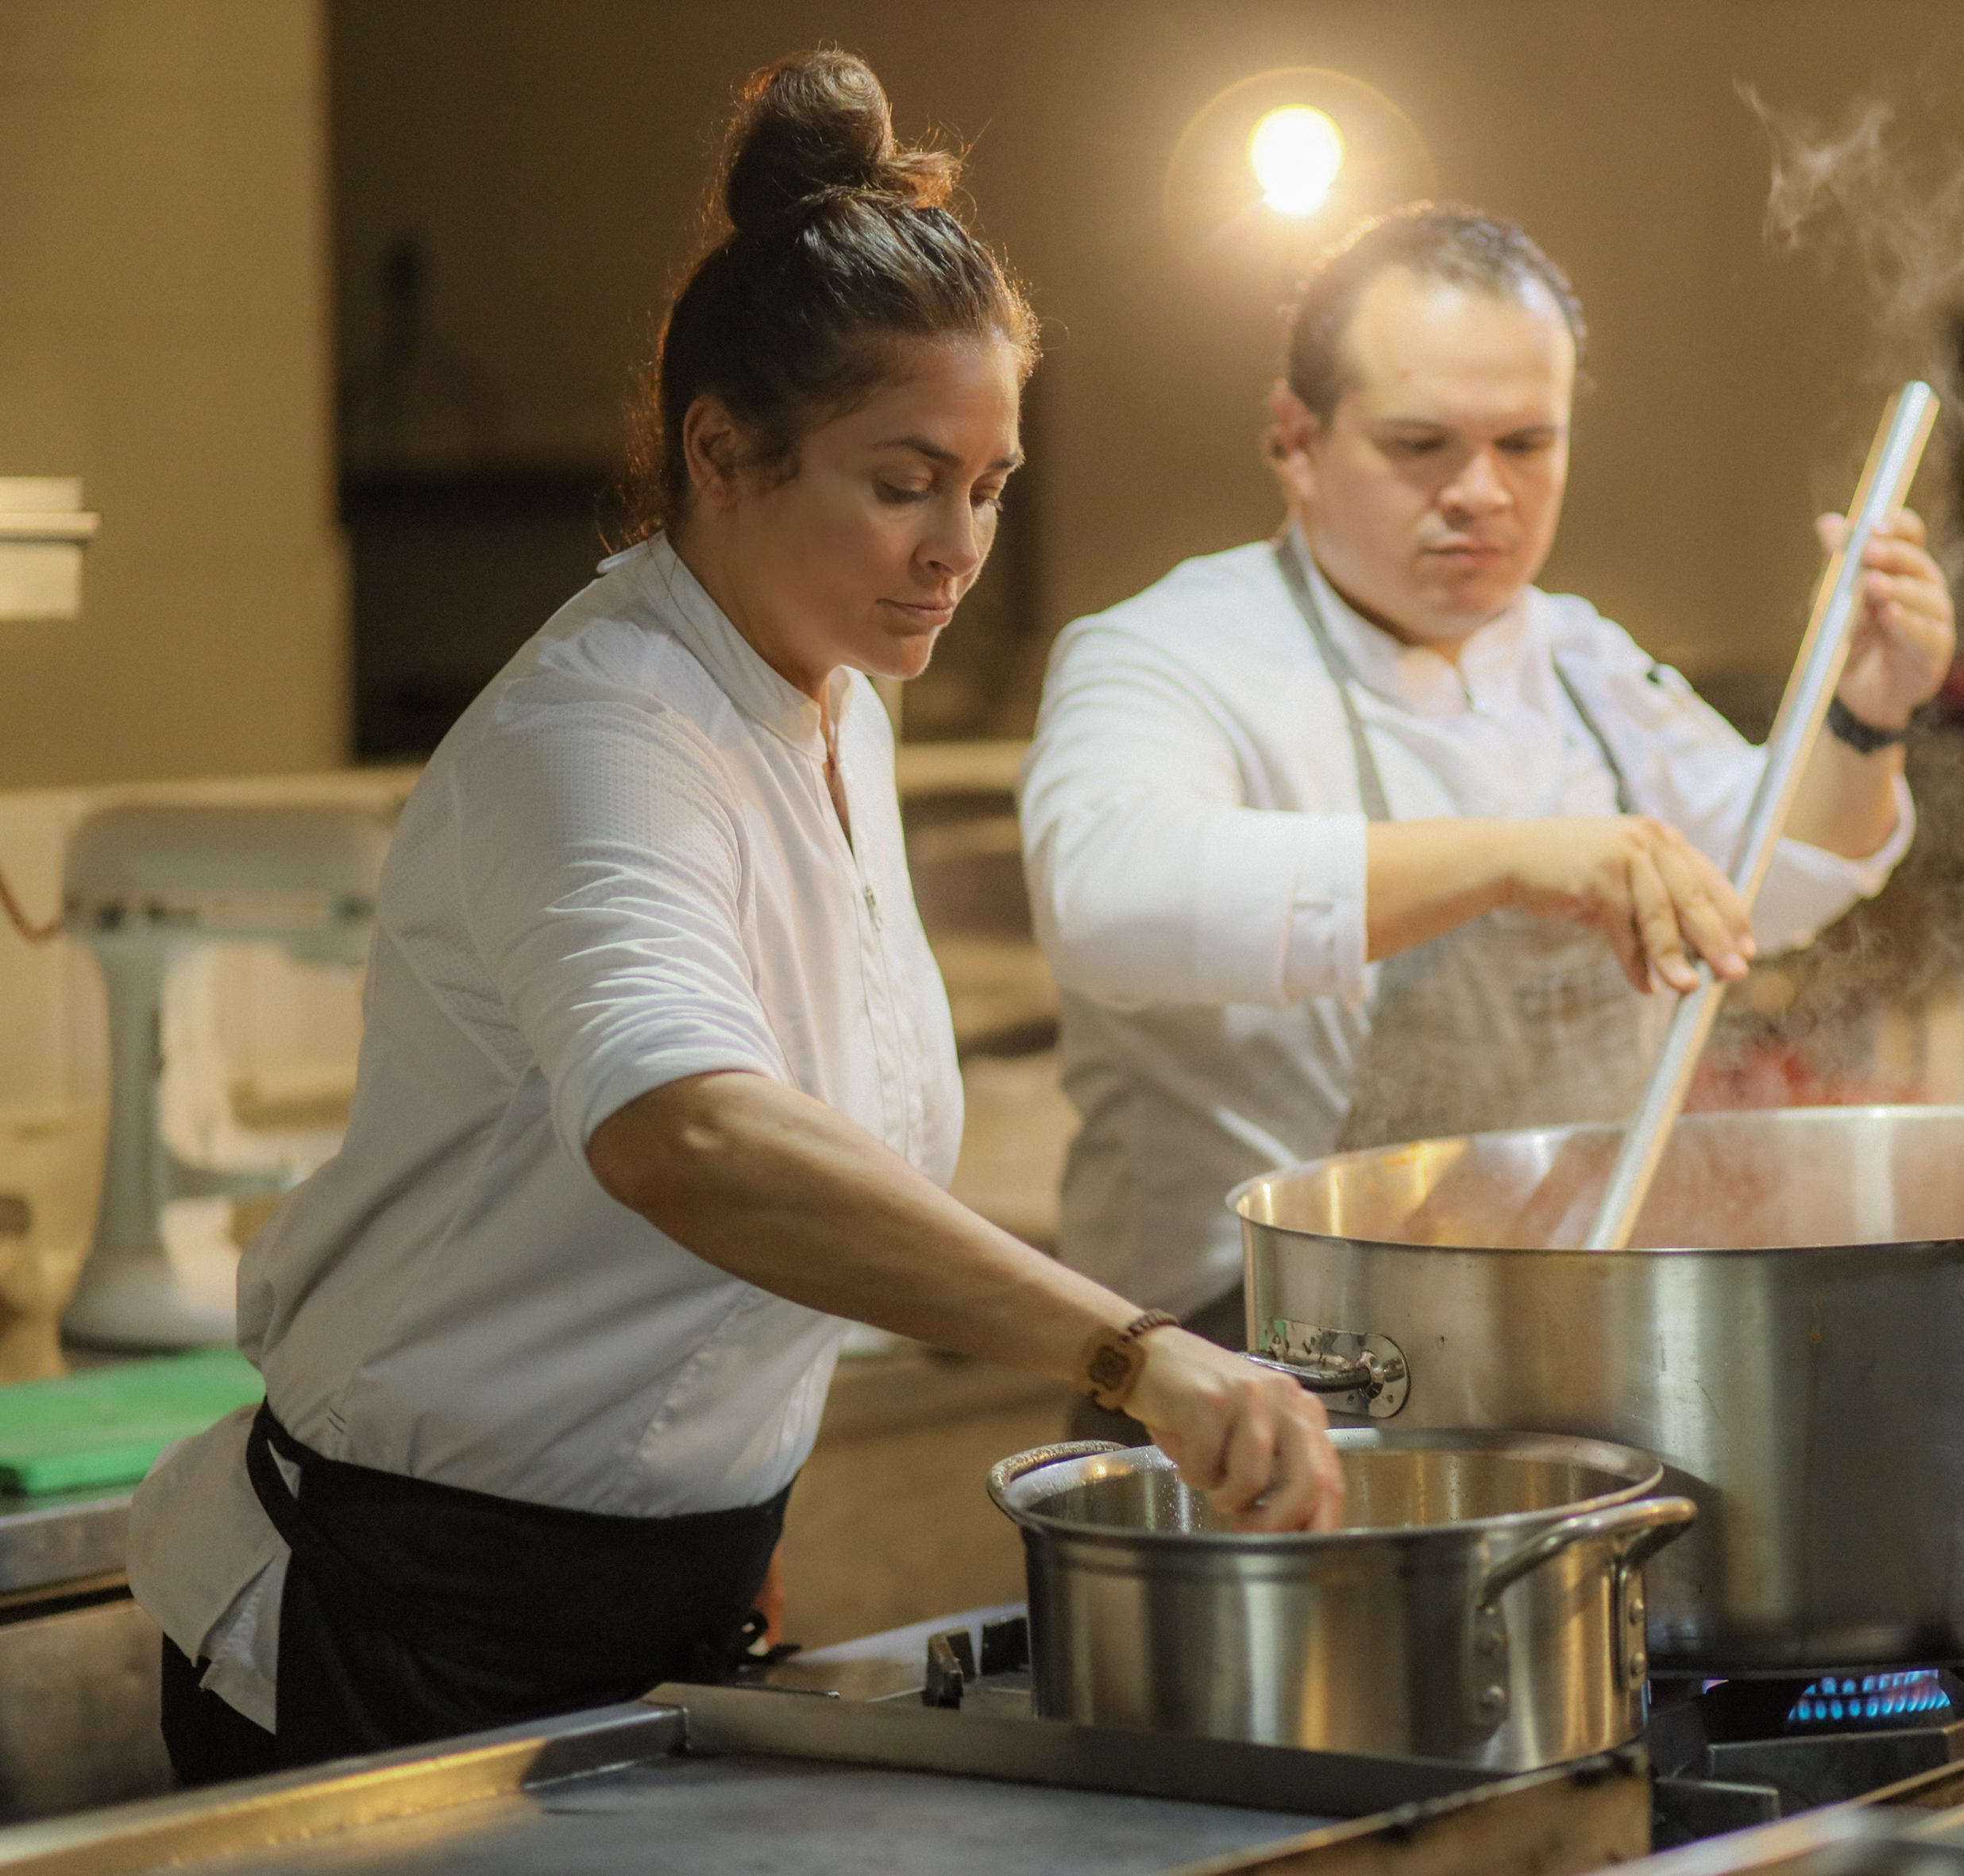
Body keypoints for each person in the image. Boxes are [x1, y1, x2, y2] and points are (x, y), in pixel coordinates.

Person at [129, 49, 1340, 1787]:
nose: (956, 546)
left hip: (667, 1589)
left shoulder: (838, 690)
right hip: (407, 1617)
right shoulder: (600, 733)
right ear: (721, 449)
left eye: (989, 487)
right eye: (904, 478)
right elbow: (687, 1133)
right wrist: (1132, 1348)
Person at [1021, 203, 1956, 1382]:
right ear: (1294, 438)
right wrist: (1516, 857)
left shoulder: (1580, 661)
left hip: (1567, 1333)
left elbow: (1767, 880)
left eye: (1526, 443)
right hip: (1247, 1355)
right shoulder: (1167, 653)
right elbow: (1108, 900)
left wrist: (1864, 712)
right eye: (1421, 445)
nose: (1481, 492)